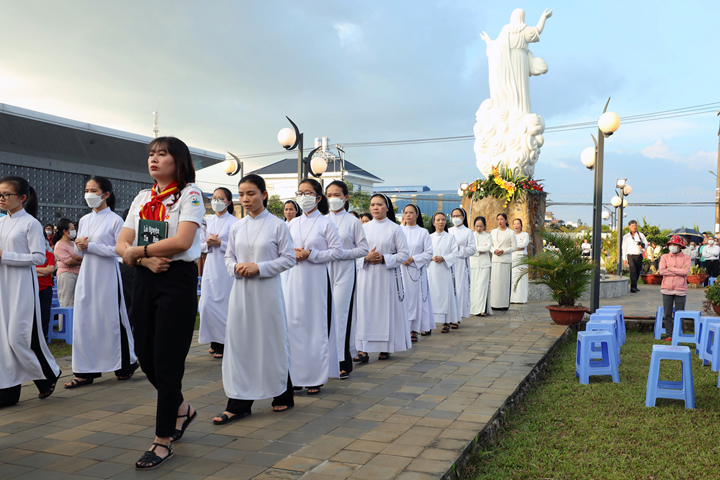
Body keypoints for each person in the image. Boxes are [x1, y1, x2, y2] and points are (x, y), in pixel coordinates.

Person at [116, 137, 206, 469]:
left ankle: (162, 439)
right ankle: (182, 409)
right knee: (145, 354)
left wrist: (139, 252)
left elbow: (183, 240)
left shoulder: (190, 195)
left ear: (178, 160)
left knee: (167, 360)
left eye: (162, 154)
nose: (154, 159)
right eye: (151, 154)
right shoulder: (143, 197)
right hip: (146, 277)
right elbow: (121, 243)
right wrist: (142, 259)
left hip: (176, 279)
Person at [213, 174, 296, 425]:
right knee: (240, 343)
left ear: (264, 194)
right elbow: (228, 257)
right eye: (241, 194)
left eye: (251, 193)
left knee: (269, 341)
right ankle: (238, 404)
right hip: (240, 293)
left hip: (267, 292)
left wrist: (259, 267)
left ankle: (282, 393)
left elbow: (289, 258)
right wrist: (236, 267)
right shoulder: (236, 226)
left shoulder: (278, 225)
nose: (245, 199)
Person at [63, 176, 138, 389]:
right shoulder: (84, 220)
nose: (89, 194)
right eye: (87, 189)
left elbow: (120, 249)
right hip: (87, 274)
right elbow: (80, 249)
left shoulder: (116, 220)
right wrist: (79, 246)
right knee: (85, 320)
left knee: (112, 319)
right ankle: (85, 371)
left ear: (106, 194)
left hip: (107, 274)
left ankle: (125, 364)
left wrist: (91, 247)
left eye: (93, 190)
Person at [0, 176, 62, 408]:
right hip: (2, 284)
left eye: (6, 194)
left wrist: (5, 256)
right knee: (3, 340)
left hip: (22, 285)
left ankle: (48, 374)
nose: (2, 199)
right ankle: (7, 391)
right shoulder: (0, 223)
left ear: (22, 198)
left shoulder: (31, 224)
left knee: (18, 338)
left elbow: (38, 258)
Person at [284, 179, 343, 394]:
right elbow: (282, 251)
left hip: (316, 281)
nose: (303, 196)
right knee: (294, 326)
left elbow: (337, 252)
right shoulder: (291, 223)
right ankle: (296, 376)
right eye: (300, 192)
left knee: (315, 326)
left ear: (318, 198)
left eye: (308, 193)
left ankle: (316, 377)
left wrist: (311, 254)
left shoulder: (326, 223)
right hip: (293, 281)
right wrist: (293, 254)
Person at [355, 194, 410, 361]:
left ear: (387, 207)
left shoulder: (395, 228)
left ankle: (385, 347)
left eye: (379, 204)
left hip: (385, 276)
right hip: (365, 276)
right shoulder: (362, 228)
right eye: (372, 204)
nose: (375, 207)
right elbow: (354, 252)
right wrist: (365, 258)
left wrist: (384, 258)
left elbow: (404, 254)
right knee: (364, 311)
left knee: (384, 311)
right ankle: (362, 349)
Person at [326, 181, 369, 379]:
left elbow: (363, 249)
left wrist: (342, 254)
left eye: (337, 194)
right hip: (323, 270)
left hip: (344, 271)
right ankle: (324, 359)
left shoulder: (353, 222)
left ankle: (343, 361)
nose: (333, 199)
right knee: (323, 314)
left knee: (341, 315)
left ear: (346, 197)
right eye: (329, 195)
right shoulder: (322, 220)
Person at [198, 187, 239, 359]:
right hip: (210, 267)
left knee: (224, 305)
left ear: (228, 202)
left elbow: (237, 246)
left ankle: (223, 342)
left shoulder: (234, 222)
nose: (216, 201)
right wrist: (208, 243)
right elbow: (198, 244)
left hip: (226, 269)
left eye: (220, 198)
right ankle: (213, 339)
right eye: (214, 198)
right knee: (207, 304)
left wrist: (220, 243)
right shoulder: (207, 220)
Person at [401, 204, 434, 340]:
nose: (408, 215)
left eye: (411, 212)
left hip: (416, 271)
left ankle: (414, 329)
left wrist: (413, 258)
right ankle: (402, 328)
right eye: (406, 212)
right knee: (402, 299)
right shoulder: (398, 230)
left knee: (415, 299)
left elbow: (429, 252)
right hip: (401, 270)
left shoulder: (423, 232)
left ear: (417, 215)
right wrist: (400, 258)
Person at [428, 212, 461, 334]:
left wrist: (443, 258)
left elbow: (455, 254)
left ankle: (446, 322)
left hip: (444, 269)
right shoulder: (429, 237)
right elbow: (425, 253)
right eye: (438, 220)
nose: (441, 222)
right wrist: (432, 258)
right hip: (432, 270)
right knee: (432, 295)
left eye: (443, 220)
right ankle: (429, 322)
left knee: (446, 295)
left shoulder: (450, 237)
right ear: (434, 222)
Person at [658, 235, 691, 341]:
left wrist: (671, 269)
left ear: (680, 246)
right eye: (671, 244)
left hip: (681, 289)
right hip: (666, 288)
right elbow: (662, 271)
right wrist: (678, 270)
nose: (672, 246)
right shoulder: (664, 257)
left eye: (675, 244)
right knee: (667, 313)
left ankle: (678, 334)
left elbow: (685, 272)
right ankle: (669, 335)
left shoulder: (686, 258)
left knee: (680, 313)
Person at [448, 208, 476, 328]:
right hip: (448, 263)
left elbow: (472, 249)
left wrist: (458, 251)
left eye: (458, 215)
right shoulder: (448, 231)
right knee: (448, 289)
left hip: (460, 263)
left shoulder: (468, 232)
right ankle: (447, 316)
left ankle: (456, 317)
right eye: (453, 216)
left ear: (463, 217)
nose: (455, 218)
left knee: (459, 289)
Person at [53, 218, 82, 306]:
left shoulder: (73, 243)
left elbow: (81, 256)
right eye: (72, 229)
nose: (74, 231)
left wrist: (75, 258)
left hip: (78, 273)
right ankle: (63, 320)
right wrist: (80, 260)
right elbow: (69, 262)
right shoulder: (59, 245)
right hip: (66, 274)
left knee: (76, 302)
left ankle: (73, 320)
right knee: (65, 302)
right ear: (65, 231)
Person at [490, 213, 517, 309]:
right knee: (495, 283)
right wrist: (494, 250)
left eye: (501, 219)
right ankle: (494, 304)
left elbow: (514, 247)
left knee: (504, 283)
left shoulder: (511, 233)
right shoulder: (493, 232)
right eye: (498, 219)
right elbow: (490, 245)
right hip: (495, 260)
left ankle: (504, 304)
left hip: (505, 261)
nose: (500, 221)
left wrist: (504, 251)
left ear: (506, 220)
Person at [470, 216, 492, 316]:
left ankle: (481, 309)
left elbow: (488, 247)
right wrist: (479, 250)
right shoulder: (471, 235)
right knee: (474, 286)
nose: (479, 228)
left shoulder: (488, 236)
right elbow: (470, 249)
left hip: (485, 264)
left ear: (484, 226)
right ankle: (473, 308)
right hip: (473, 264)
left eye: (481, 226)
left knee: (482, 286)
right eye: (477, 226)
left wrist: (476, 250)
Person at [280, 200, 302, 292]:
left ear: (296, 211)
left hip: (297, 259)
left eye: (291, 209)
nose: (288, 212)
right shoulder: (281, 225)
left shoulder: (300, 225)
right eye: (286, 209)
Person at [36, 244, 56, 343]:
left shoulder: (49, 255)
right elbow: (47, 270)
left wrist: (33, 269)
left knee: (45, 313)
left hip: (46, 288)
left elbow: (50, 270)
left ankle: (44, 337)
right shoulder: (29, 256)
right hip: (32, 287)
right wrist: (44, 272)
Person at [621, 220, 648, 293]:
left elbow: (646, 244)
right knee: (633, 270)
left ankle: (635, 285)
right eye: (632, 226)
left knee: (638, 271)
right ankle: (633, 287)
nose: (634, 227)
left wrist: (643, 247)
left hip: (639, 255)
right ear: (629, 227)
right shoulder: (626, 237)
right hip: (630, 256)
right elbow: (624, 248)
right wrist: (624, 259)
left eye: (635, 225)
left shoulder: (640, 235)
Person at [510, 219, 529, 304]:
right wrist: (516, 248)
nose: (516, 225)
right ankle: (512, 298)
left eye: (518, 224)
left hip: (522, 258)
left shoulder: (525, 234)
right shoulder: (511, 235)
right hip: (512, 258)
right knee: (513, 277)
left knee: (521, 277)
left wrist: (514, 247)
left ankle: (521, 299)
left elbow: (524, 245)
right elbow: (509, 246)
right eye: (514, 224)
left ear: (521, 225)